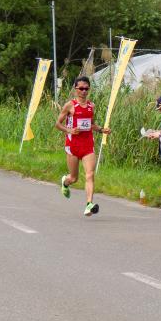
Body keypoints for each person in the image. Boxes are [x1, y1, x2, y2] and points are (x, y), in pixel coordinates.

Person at [55, 76, 111, 216]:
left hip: (87, 145)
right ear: (76, 89)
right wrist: (70, 130)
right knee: (74, 178)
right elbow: (58, 124)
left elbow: (89, 124)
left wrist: (101, 129)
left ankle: (89, 204)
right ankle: (65, 182)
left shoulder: (92, 106)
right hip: (73, 145)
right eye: (81, 89)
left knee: (90, 175)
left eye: (86, 89)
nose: (84, 91)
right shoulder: (70, 105)